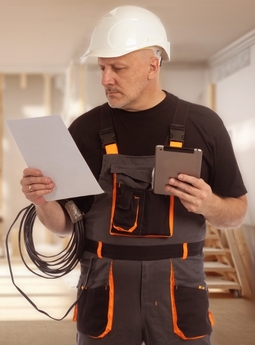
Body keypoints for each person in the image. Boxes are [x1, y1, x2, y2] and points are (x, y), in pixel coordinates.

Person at [20, 6, 248, 345]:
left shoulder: (205, 125)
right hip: (105, 285)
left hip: (177, 287)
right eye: (101, 67)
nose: (105, 79)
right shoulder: (85, 129)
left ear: (153, 66)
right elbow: (65, 224)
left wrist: (209, 203)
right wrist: (41, 200)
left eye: (118, 68)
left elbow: (237, 212)